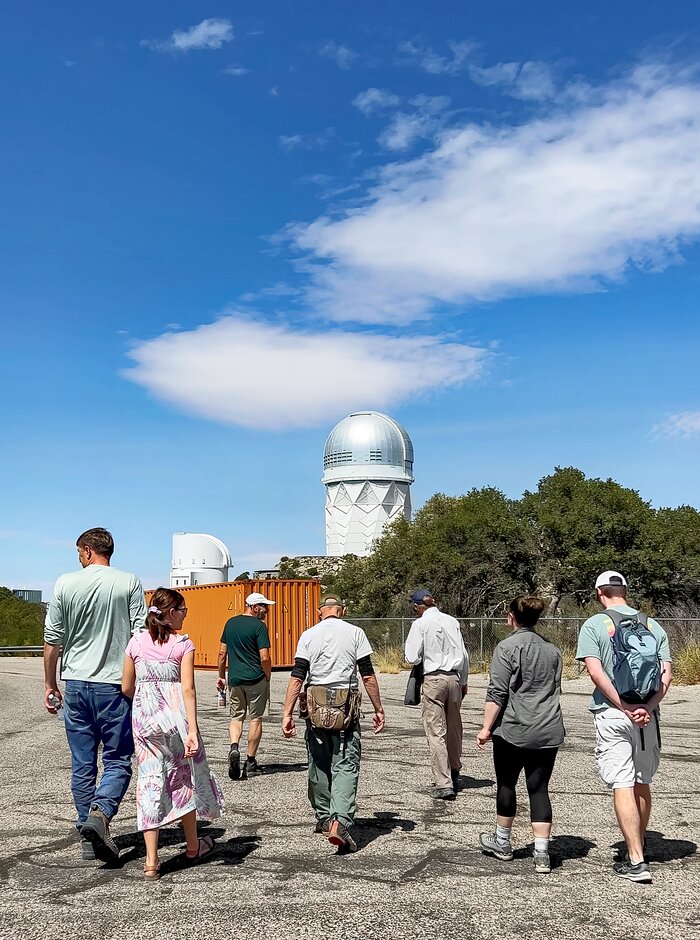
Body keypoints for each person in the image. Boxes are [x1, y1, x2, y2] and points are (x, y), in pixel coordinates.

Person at [43, 527, 146, 862]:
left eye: (78, 552)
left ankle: (88, 835)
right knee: (118, 757)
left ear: (86, 550)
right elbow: (140, 637)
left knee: (83, 762)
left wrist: (50, 684)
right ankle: (99, 816)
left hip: (75, 683)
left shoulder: (64, 583)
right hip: (115, 685)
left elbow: (52, 641)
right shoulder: (129, 582)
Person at [576, 571, 672, 884]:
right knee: (642, 781)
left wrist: (625, 707)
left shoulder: (594, 625)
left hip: (613, 713)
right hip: (648, 715)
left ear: (599, 593)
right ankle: (639, 844)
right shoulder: (653, 625)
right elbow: (666, 675)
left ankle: (636, 859)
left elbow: (595, 673)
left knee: (621, 782)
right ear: (625, 592)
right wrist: (646, 708)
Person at [122, 587, 223, 878]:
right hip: (174, 721)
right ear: (170, 613)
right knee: (183, 779)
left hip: (145, 722)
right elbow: (188, 689)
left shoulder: (136, 644)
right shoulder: (183, 645)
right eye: (183, 611)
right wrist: (192, 728)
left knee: (150, 782)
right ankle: (193, 846)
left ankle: (152, 861)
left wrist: (145, 700)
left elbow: (126, 686)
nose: (185, 616)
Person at [281, 595, 385, 852]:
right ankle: (341, 821)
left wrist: (287, 713)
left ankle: (324, 818)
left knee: (318, 763)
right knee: (346, 764)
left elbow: (297, 677)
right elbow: (367, 674)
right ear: (343, 610)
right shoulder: (356, 633)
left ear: (320, 613)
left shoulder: (308, 635)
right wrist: (378, 708)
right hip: (345, 709)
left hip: (315, 709)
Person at [476, 596, 565, 874]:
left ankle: (502, 842)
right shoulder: (552, 650)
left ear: (512, 616)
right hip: (547, 727)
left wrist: (486, 727)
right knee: (539, 788)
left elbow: (497, 692)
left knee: (506, 784)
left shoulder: (506, 647)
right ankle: (541, 853)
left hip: (513, 728)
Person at [404, 589, 468, 800]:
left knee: (436, 731)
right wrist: (464, 681)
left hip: (433, 678)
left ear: (417, 606)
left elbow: (412, 656)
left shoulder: (420, 624)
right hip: (454, 678)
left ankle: (443, 783)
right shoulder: (452, 621)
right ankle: (456, 771)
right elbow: (464, 654)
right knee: (454, 729)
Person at [217, 591, 273, 780]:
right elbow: (264, 657)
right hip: (256, 679)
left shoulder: (230, 623)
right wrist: (267, 675)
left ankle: (234, 747)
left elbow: (221, 655)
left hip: (235, 680)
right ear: (254, 607)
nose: (266, 610)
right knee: (255, 718)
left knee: (236, 717)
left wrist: (221, 676)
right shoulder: (259, 627)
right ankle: (250, 761)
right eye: (264, 607)